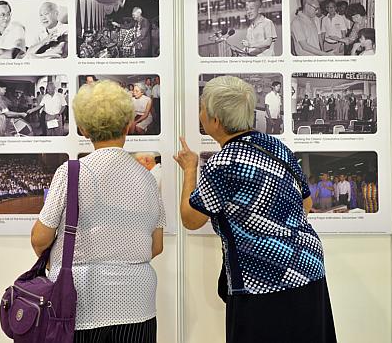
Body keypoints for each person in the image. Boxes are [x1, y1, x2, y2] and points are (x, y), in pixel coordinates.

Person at [173, 75, 335, 343]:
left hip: (261, 279)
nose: (200, 114)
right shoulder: (277, 147)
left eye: (202, 108)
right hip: (308, 266)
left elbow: (191, 219)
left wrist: (190, 170)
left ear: (216, 120)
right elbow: (306, 203)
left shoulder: (222, 164)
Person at [31, 80, 165, 341]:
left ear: (83, 129)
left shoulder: (70, 173)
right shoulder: (148, 178)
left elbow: (39, 238)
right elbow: (156, 245)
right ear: (128, 125)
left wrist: (56, 262)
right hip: (138, 304)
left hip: (77, 302)